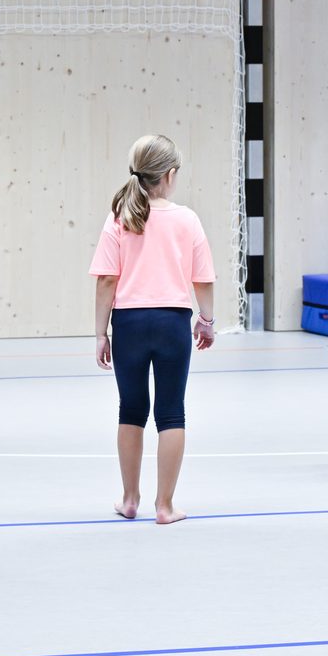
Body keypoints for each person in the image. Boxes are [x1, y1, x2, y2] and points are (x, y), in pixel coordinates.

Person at [90, 135, 217, 525]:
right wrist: (206, 320)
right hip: (171, 322)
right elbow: (203, 280)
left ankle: (130, 498)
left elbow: (106, 281)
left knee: (130, 410)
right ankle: (164, 506)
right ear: (170, 174)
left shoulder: (120, 216)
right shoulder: (187, 219)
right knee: (171, 413)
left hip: (129, 323)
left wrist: (101, 333)